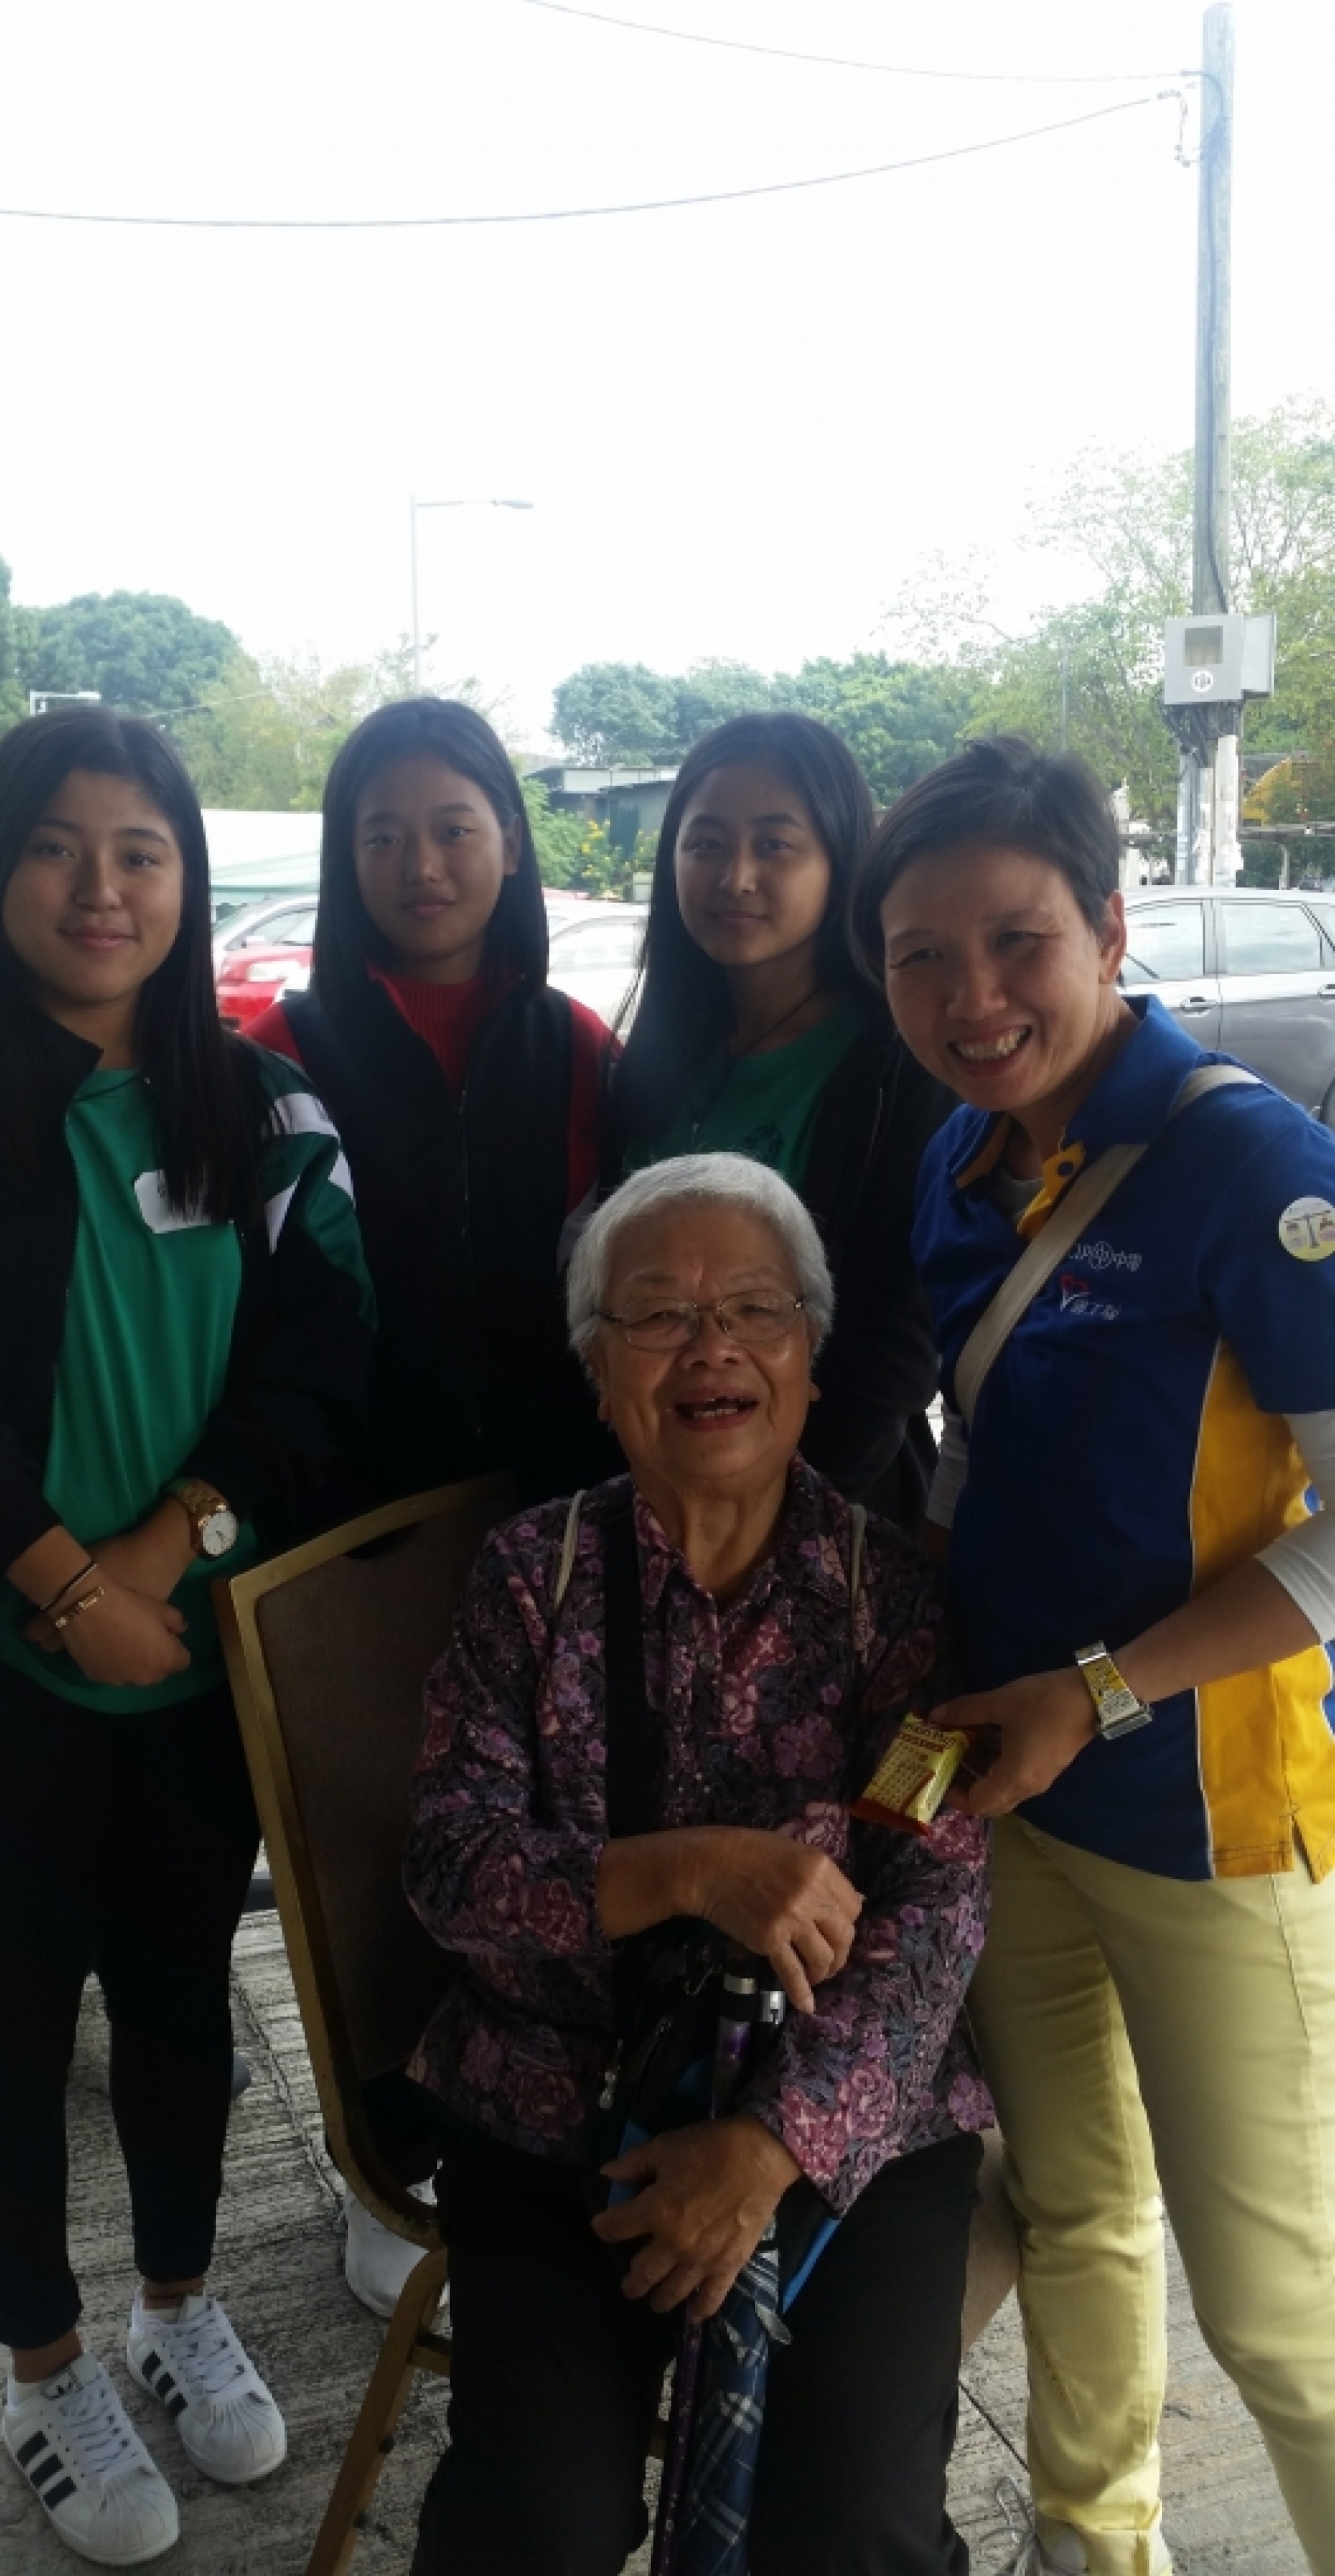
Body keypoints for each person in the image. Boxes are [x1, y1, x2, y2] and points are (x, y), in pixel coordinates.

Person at [0, 710, 371, 2568]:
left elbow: (320, 1363)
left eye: (141, 851)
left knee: (181, 2010)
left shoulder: (267, 1112)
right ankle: (44, 2368)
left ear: (186, 879)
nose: (102, 888)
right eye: (57, 846)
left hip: (191, 1662)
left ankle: (178, 2304)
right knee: (10, 2029)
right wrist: (66, 1589)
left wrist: (163, 1556)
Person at [853, 732, 1335, 2576]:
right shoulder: (959, 1162)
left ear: (1111, 928)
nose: (970, 996)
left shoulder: (1244, 1161)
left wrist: (1103, 1692)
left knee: (1281, 2316)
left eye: (1017, 940)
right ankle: (1092, 2537)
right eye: (920, 955)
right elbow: (989, 1462)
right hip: (1016, 1790)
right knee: (1071, 2205)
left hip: (1208, 1814)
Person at [400, 1153, 994, 2576]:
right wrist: (685, 1870)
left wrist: (774, 2142)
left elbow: (934, 1912)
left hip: (847, 2111)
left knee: (846, 2535)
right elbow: (450, 1865)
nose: (711, 1345)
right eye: (659, 1314)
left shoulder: (895, 1603)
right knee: (535, 2532)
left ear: (811, 1357)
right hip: (560, 2105)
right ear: (600, 1374)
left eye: (754, 1309)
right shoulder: (529, 1579)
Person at [252, 696, 616, 1514]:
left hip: (561, 1495)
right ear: (346, 857)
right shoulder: (278, 1057)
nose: (421, 866)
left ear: (511, 843)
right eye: (383, 838)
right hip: (346, 1510)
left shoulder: (579, 1047)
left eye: (454, 830)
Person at [607, 712, 948, 1530]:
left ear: (840, 862)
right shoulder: (659, 1052)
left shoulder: (898, 1064)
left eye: (775, 844)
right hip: (650, 1506)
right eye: (706, 843)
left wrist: (775, 1526)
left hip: (823, 1516)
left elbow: (897, 1343)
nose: (736, 876)